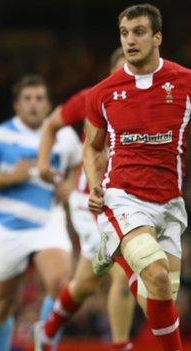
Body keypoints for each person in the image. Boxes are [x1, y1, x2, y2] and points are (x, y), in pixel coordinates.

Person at [80, 4, 191, 351]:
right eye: (125, 33)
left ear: (157, 37)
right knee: (157, 274)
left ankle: (113, 248)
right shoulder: (102, 92)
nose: (130, 40)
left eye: (139, 32)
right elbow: (92, 147)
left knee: (162, 295)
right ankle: (114, 238)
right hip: (124, 197)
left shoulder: (189, 83)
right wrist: (95, 183)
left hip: (170, 204)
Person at [0, 75, 81, 351]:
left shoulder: (63, 135)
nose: (34, 105)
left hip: (48, 222)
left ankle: (45, 344)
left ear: (49, 104)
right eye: (27, 99)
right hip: (7, 228)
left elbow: (79, 163)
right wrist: (12, 177)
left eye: (40, 99)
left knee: (60, 284)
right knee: (3, 303)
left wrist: (70, 184)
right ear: (17, 105)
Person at [34, 49, 137, 351]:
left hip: (128, 199)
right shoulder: (93, 97)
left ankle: (49, 329)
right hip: (89, 201)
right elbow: (52, 124)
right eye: (123, 69)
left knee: (86, 282)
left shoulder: (149, 104)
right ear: (112, 72)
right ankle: (122, 346)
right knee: (125, 267)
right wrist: (43, 164)